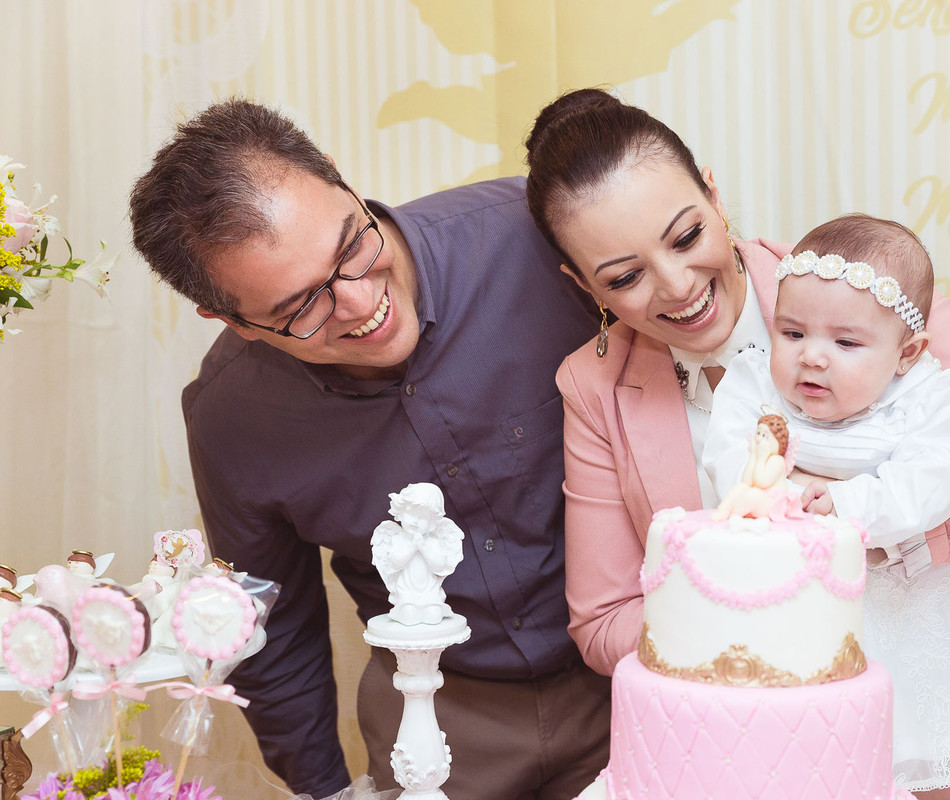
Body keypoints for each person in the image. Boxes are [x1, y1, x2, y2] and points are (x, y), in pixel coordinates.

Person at [524, 87, 950, 799]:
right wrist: (762, 627)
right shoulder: (593, 384)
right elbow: (605, 624)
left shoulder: (864, 288)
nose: (676, 285)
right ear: (586, 286)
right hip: (761, 748)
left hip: (948, 721)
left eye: (686, 235)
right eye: (626, 277)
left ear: (714, 196)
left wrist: (867, 531)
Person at [128, 99, 611, 800]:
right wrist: (322, 789)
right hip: (433, 710)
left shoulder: (537, 237)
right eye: (300, 308)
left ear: (344, 182)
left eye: (352, 246)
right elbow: (273, 629)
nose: (358, 304)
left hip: (630, 674)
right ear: (231, 319)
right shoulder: (232, 416)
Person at [703, 214, 950, 793]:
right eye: (792, 334)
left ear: (906, 352)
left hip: (927, 617)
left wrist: (844, 501)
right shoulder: (751, 386)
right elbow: (731, 465)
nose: (812, 357)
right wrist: (788, 495)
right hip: (811, 619)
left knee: (931, 751)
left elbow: (933, 481)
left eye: (845, 342)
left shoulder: (934, 397)